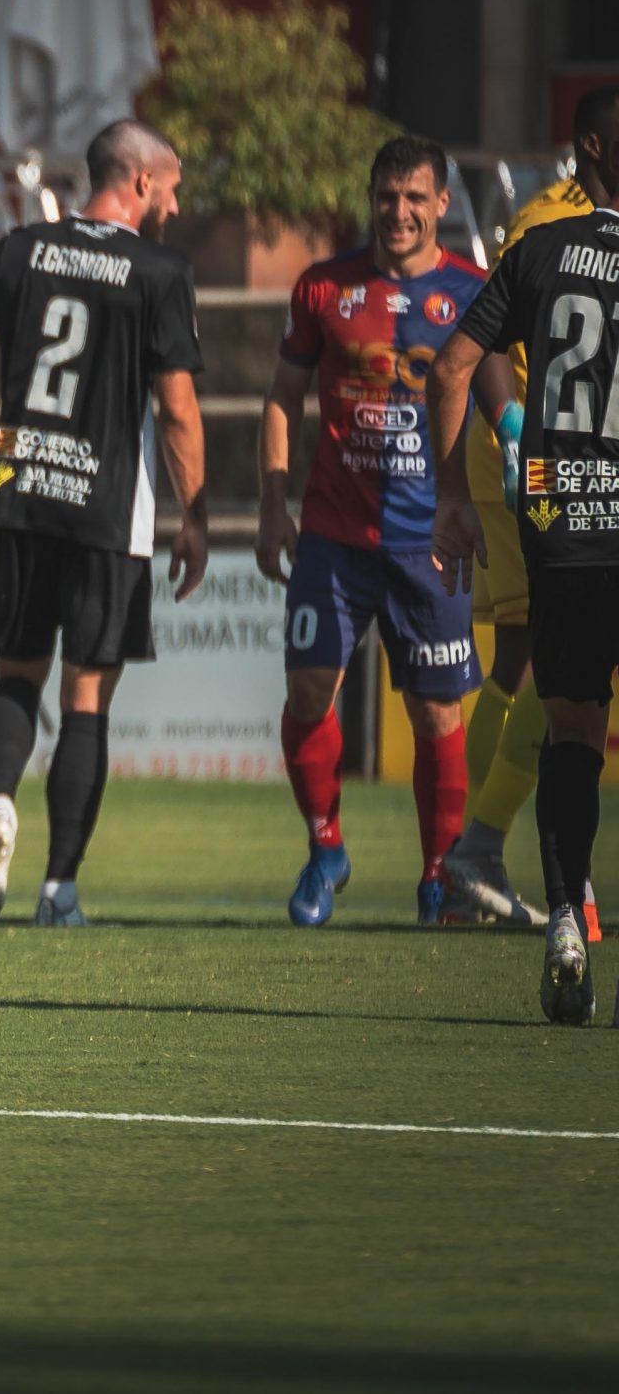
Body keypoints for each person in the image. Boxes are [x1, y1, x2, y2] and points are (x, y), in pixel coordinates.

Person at [0, 120, 209, 927]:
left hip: (22, 497)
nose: (176, 205)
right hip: (109, 513)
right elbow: (178, 412)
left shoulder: (17, 252)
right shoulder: (159, 272)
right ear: (141, 182)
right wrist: (196, 516)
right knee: (86, 698)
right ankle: (59, 891)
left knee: (17, 675)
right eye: (173, 187)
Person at [258, 136, 486, 927]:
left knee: (436, 715)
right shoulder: (324, 286)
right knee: (306, 690)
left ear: (441, 203)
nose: (399, 211)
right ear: (371, 197)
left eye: (415, 197)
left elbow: (502, 402)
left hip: (429, 544)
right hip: (332, 531)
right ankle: (325, 847)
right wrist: (273, 503)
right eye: (387, 196)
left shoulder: (473, 291)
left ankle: (439, 878)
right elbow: (282, 397)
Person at [431, 117, 619, 1022]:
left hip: (562, 513)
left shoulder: (542, 243)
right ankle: (482, 849)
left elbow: (453, 366)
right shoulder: (540, 223)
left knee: (569, 722)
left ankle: (566, 922)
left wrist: (454, 494)